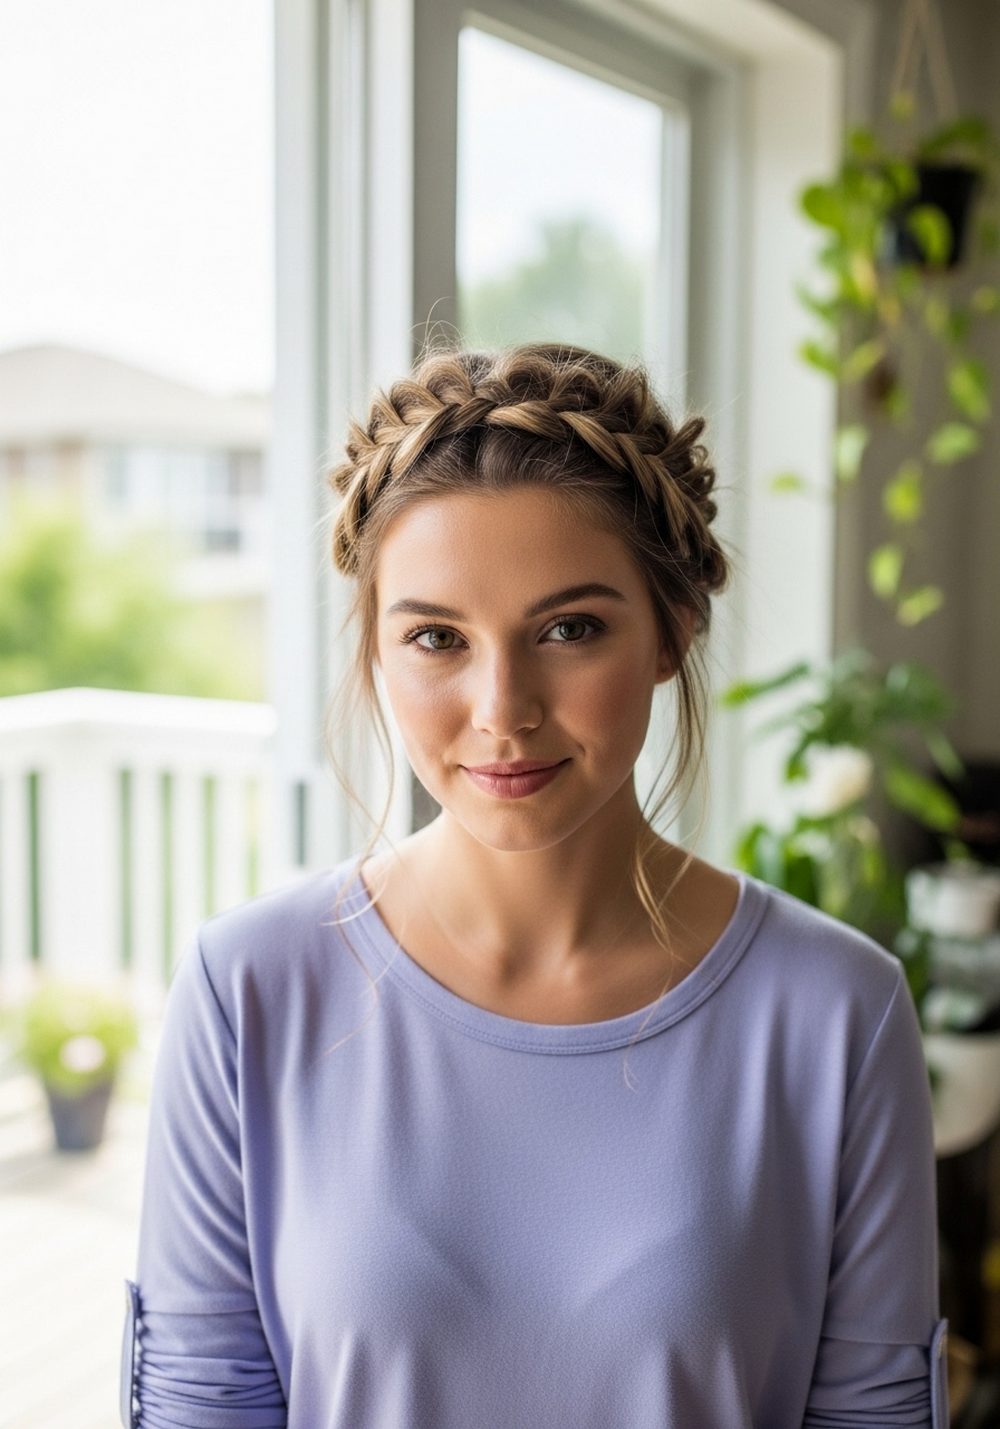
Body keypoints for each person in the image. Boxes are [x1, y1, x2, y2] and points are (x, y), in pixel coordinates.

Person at [119, 342, 949, 1427]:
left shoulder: (838, 1012)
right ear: (375, 649)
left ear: (672, 629)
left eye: (569, 629)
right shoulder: (247, 992)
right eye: (435, 638)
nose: (502, 708)